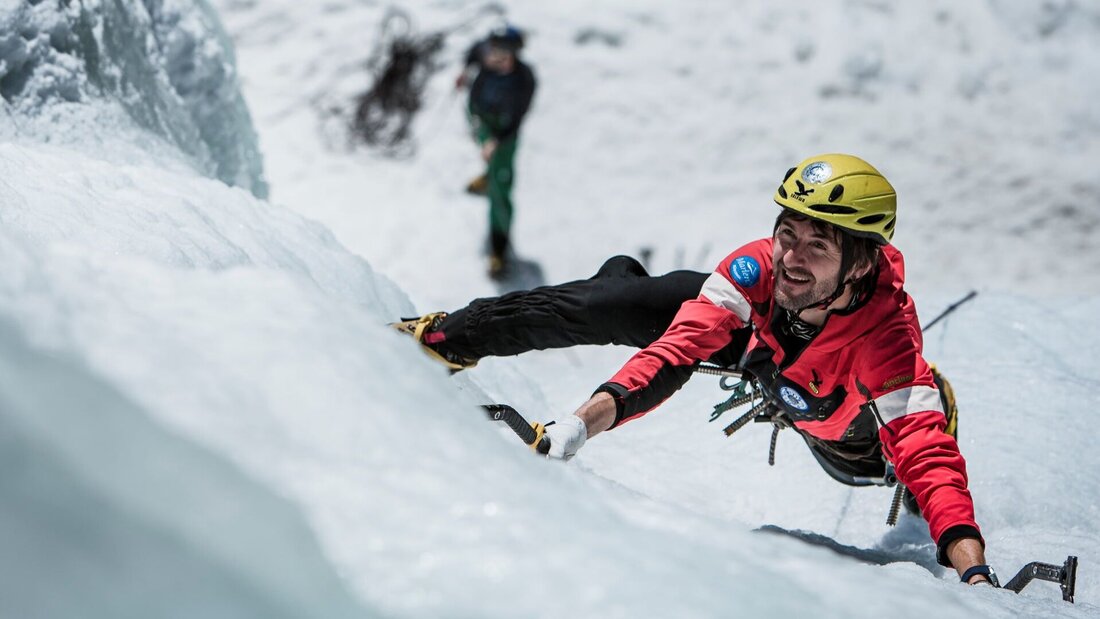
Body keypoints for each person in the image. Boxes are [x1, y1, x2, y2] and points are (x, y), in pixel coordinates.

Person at [393, 154, 995, 586]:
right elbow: (677, 350)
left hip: (848, 422)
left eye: (818, 246)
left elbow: (924, 450)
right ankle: (446, 338)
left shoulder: (886, 334)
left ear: (862, 265)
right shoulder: (759, 270)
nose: (790, 258)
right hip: (763, 348)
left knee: (911, 470)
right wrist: (581, 423)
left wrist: (972, 569)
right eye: (787, 234)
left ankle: (932, 419)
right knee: (626, 303)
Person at [455, 25, 537, 278]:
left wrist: (495, 141)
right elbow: (472, 53)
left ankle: (498, 248)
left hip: (503, 133)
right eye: (492, 49)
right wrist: (464, 72)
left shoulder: (524, 81)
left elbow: (516, 120)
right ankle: (488, 175)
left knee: (501, 191)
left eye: (503, 52)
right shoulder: (484, 53)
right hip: (481, 118)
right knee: (489, 160)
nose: (494, 56)